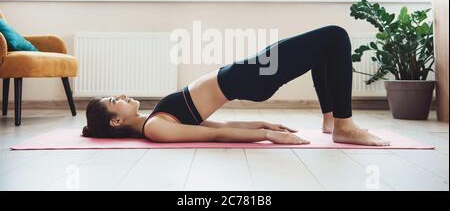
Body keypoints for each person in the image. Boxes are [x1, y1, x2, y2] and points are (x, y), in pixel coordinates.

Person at [82, 25, 390, 146]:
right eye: (114, 100)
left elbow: (217, 121)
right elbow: (214, 134)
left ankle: (330, 121)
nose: (121, 95)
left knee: (324, 48)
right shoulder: (155, 128)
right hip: (248, 77)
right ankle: (344, 125)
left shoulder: (155, 120)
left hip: (245, 73)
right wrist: (267, 135)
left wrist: (264, 122)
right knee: (335, 36)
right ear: (116, 120)